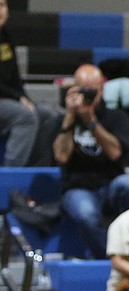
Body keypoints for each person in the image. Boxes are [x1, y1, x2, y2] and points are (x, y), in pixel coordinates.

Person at [52, 63, 129, 259]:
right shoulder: (63, 120)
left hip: (111, 183)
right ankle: (109, 258)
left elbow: (115, 153)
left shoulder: (117, 117)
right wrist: (70, 116)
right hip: (77, 187)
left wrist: (91, 121)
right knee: (85, 213)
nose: (88, 94)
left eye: (93, 89)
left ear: (102, 88)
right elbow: (61, 157)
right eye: (83, 89)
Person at [0, 0, 55, 167]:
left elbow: (15, 77)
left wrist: (25, 98)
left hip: (7, 100)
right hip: (5, 101)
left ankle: (32, 171)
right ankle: (10, 176)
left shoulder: (6, 37)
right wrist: (19, 98)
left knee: (48, 116)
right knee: (25, 117)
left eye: (2, 5)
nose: (0, 11)